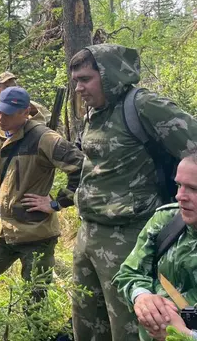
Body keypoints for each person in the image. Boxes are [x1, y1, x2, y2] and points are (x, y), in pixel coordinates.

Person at [68, 44, 197, 341]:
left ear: (110, 75)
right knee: (86, 323)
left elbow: (193, 148)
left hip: (129, 235)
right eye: (75, 80)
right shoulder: (95, 113)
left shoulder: (142, 106)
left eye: (86, 79)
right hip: (88, 231)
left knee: (129, 326)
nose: (79, 88)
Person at [0, 87, 84, 327]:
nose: (2, 117)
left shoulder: (44, 137)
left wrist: (57, 203)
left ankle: (35, 331)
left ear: (26, 113)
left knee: (35, 291)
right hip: (5, 229)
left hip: (37, 232)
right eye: (0, 111)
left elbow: (83, 168)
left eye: (9, 113)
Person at [113, 150, 197, 341]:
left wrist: (184, 336)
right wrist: (142, 297)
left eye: (194, 189)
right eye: (179, 185)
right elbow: (130, 272)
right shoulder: (167, 221)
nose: (180, 196)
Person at [0, 71, 50, 147]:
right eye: (7, 87)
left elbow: (54, 123)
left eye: (14, 86)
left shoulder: (32, 107)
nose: (11, 89)